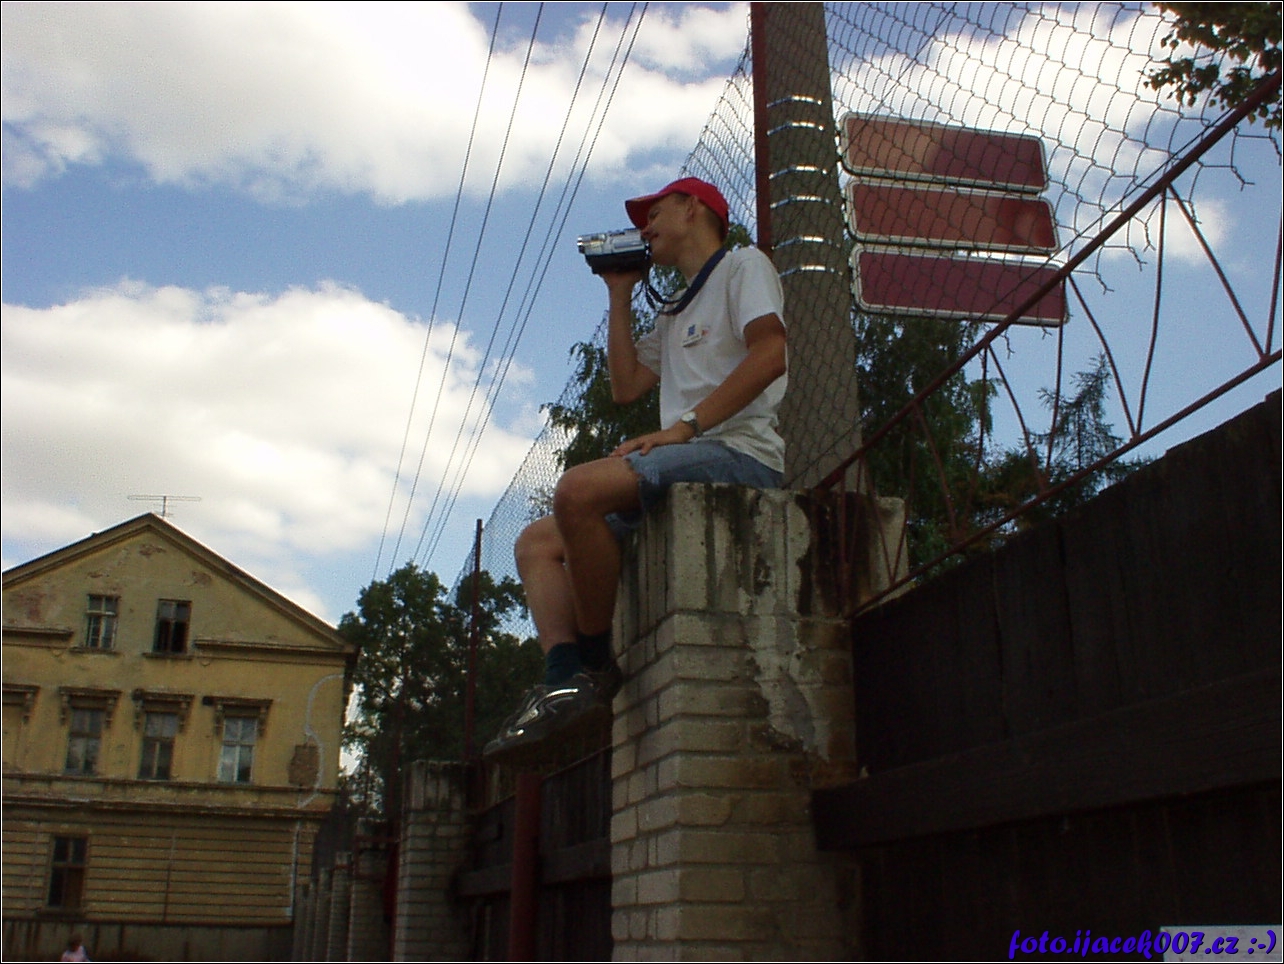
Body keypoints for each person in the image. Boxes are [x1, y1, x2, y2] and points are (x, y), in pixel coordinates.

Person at [483, 177, 787, 763]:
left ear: (693, 208)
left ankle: (593, 670)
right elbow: (625, 388)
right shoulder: (674, 311)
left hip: (740, 454)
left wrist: (684, 428)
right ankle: (563, 679)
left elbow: (771, 353)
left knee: (578, 489)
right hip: (688, 459)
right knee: (536, 543)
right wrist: (619, 292)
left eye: (654, 212)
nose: (644, 227)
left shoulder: (743, 266)